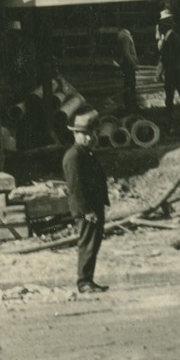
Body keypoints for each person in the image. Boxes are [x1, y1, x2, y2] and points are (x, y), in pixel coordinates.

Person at [62, 111, 109, 293]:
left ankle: (88, 279)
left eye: (92, 133)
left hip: (93, 207)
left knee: (93, 243)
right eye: (85, 134)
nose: (89, 137)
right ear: (75, 134)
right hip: (86, 209)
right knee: (88, 244)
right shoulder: (74, 156)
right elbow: (75, 187)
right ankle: (84, 282)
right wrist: (87, 211)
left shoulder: (85, 153)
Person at [157, 9, 180, 113]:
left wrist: (177, 68)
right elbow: (164, 57)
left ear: (165, 25)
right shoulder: (167, 38)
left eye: (162, 25)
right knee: (172, 95)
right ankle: (172, 116)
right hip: (171, 71)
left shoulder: (173, 38)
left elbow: (179, 54)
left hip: (174, 71)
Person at [115, 27, 139, 113]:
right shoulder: (125, 35)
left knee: (129, 84)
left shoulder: (122, 34)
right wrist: (134, 64)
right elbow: (126, 52)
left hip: (126, 64)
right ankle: (131, 107)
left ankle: (130, 106)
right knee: (130, 85)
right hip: (128, 64)